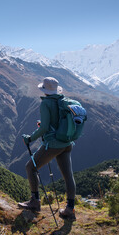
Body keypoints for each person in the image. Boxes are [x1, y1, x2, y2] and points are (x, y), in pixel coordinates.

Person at [18, 77, 76, 221]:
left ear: (44, 90)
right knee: (68, 175)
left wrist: (30, 138)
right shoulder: (63, 101)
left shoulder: (46, 104)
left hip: (54, 145)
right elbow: (55, 123)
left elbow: (44, 128)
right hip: (67, 143)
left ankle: (35, 201)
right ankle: (70, 208)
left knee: (30, 167)